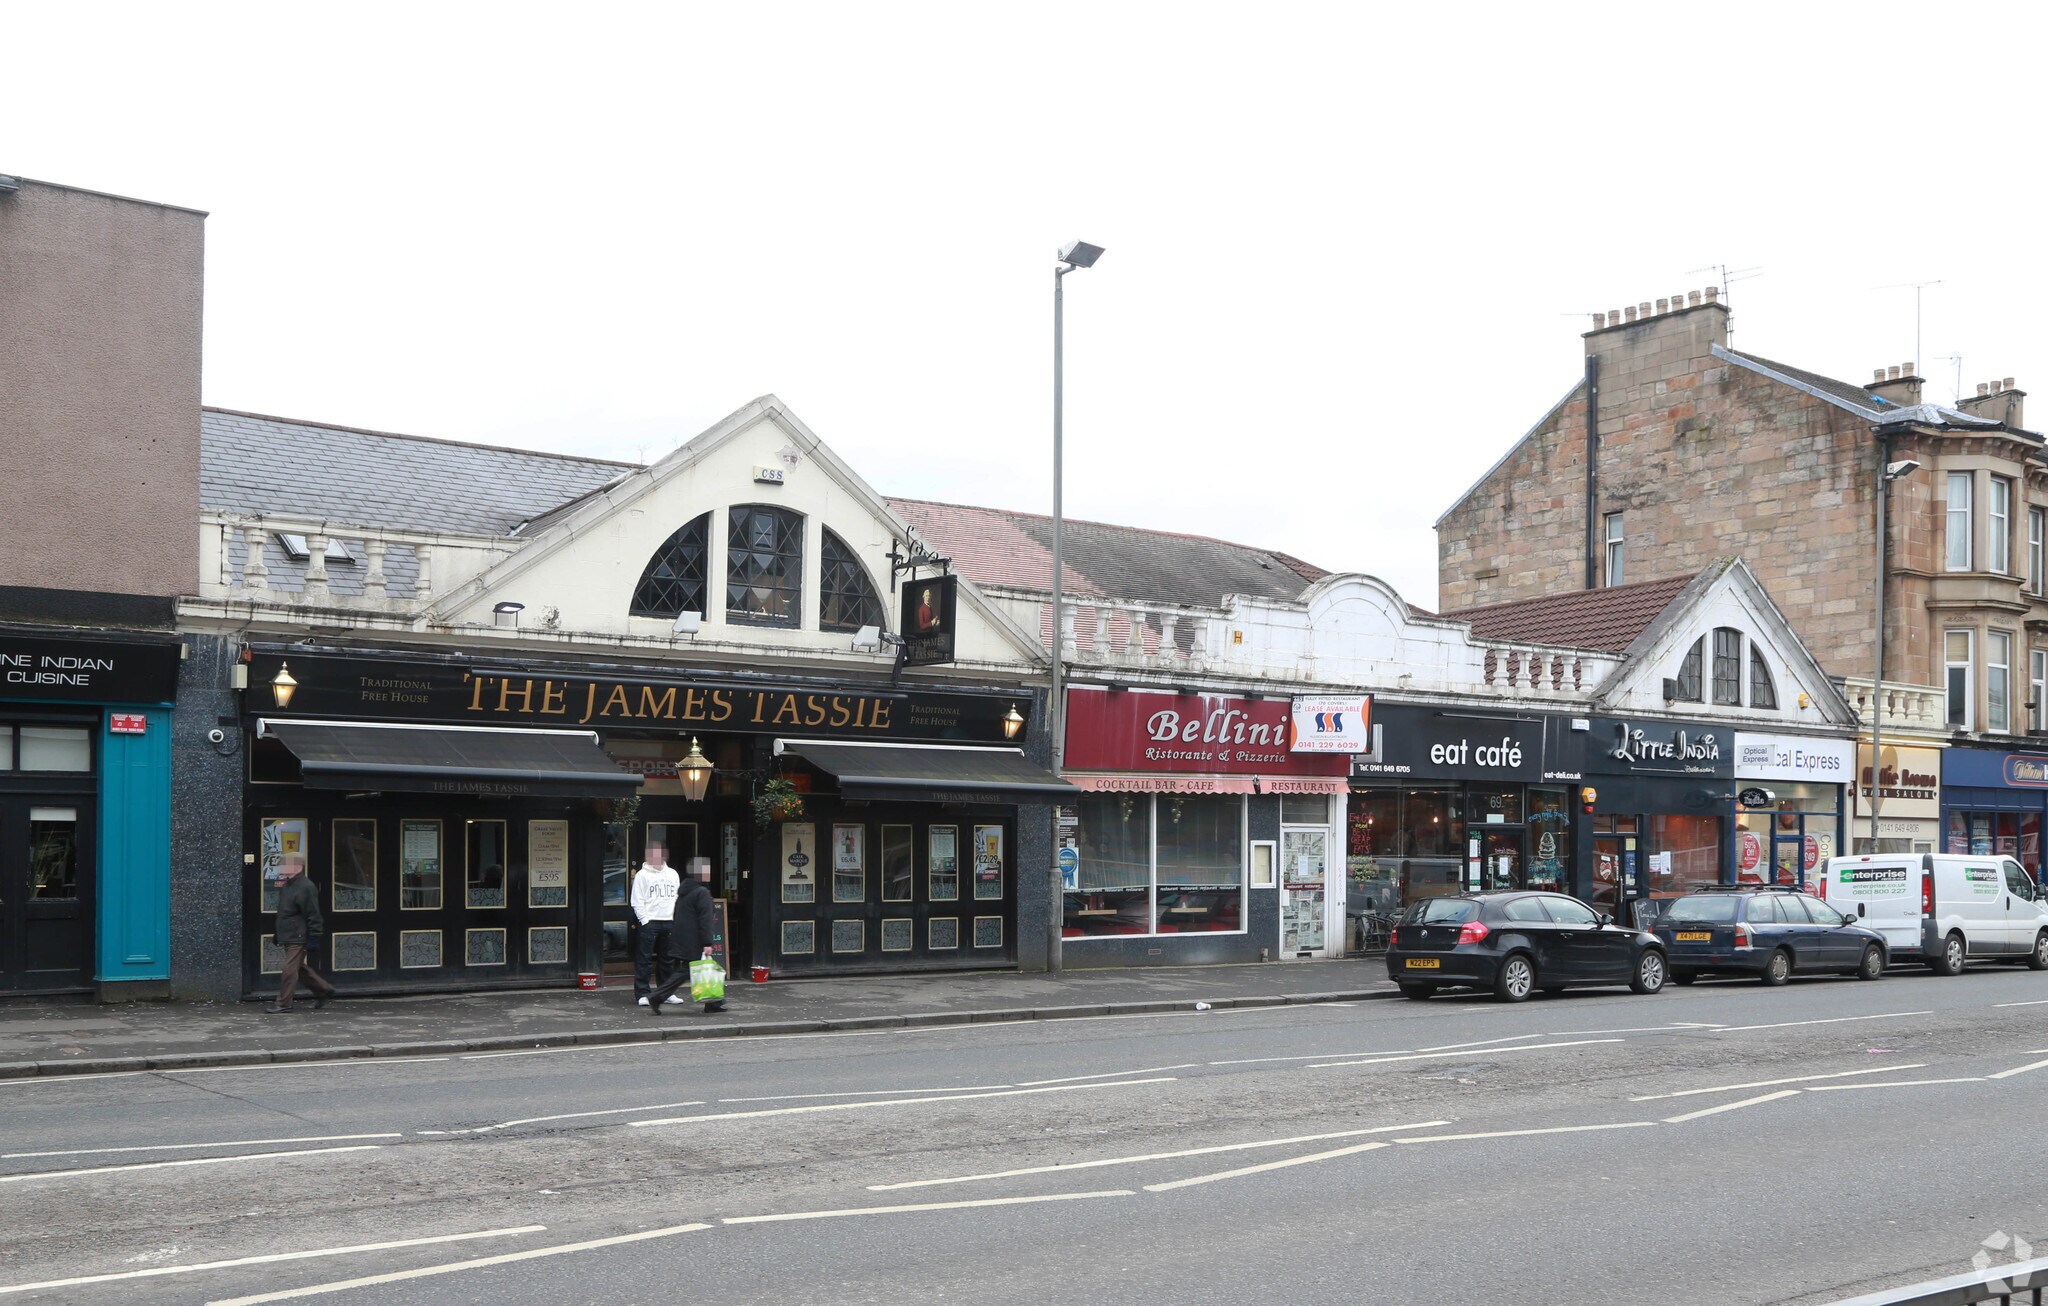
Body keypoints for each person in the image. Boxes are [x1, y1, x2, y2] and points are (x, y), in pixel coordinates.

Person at [648, 860, 725, 1015]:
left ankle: (715, 1002)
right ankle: (657, 996)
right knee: (687, 971)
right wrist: (707, 942)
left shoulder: (685, 892)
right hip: (694, 940)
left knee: (695, 969)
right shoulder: (702, 892)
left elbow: (678, 915)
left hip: (682, 937)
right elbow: (705, 920)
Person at [268, 853, 335, 1013]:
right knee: (298, 968)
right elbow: (284, 912)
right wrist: (278, 933)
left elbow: (313, 914)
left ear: (297, 867)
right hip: (290, 934)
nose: (282, 867)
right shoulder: (288, 885)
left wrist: (314, 937)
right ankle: (323, 990)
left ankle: (283, 1003)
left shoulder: (306, 886)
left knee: (289, 970)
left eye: (285, 864)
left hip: (298, 936)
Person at [629, 841, 682, 1007]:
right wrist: (645, 921)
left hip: (669, 921)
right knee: (644, 960)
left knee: (667, 960)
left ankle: (665, 993)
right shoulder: (641, 875)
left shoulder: (673, 874)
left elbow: (677, 897)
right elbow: (637, 901)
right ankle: (643, 993)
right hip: (650, 922)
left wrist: (675, 918)